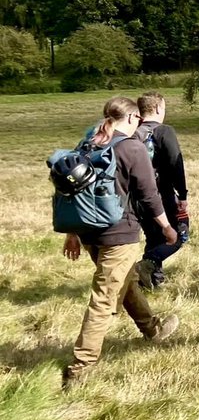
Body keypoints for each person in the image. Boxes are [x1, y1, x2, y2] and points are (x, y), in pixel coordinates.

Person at [60, 96, 180, 390]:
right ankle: (80, 367)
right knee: (103, 300)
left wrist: (73, 232)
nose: (139, 124)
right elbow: (149, 194)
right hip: (119, 234)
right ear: (131, 118)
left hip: (89, 233)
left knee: (125, 281)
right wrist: (167, 227)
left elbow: (69, 189)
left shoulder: (89, 143)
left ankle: (153, 330)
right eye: (138, 120)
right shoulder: (132, 147)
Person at [131, 92, 189, 290]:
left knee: (154, 237)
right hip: (160, 194)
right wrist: (183, 195)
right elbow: (176, 163)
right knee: (179, 235)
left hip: (134, 197)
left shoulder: (131, 132)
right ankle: (146, 263)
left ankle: (154, 281)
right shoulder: (164, 131)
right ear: (157, 108)